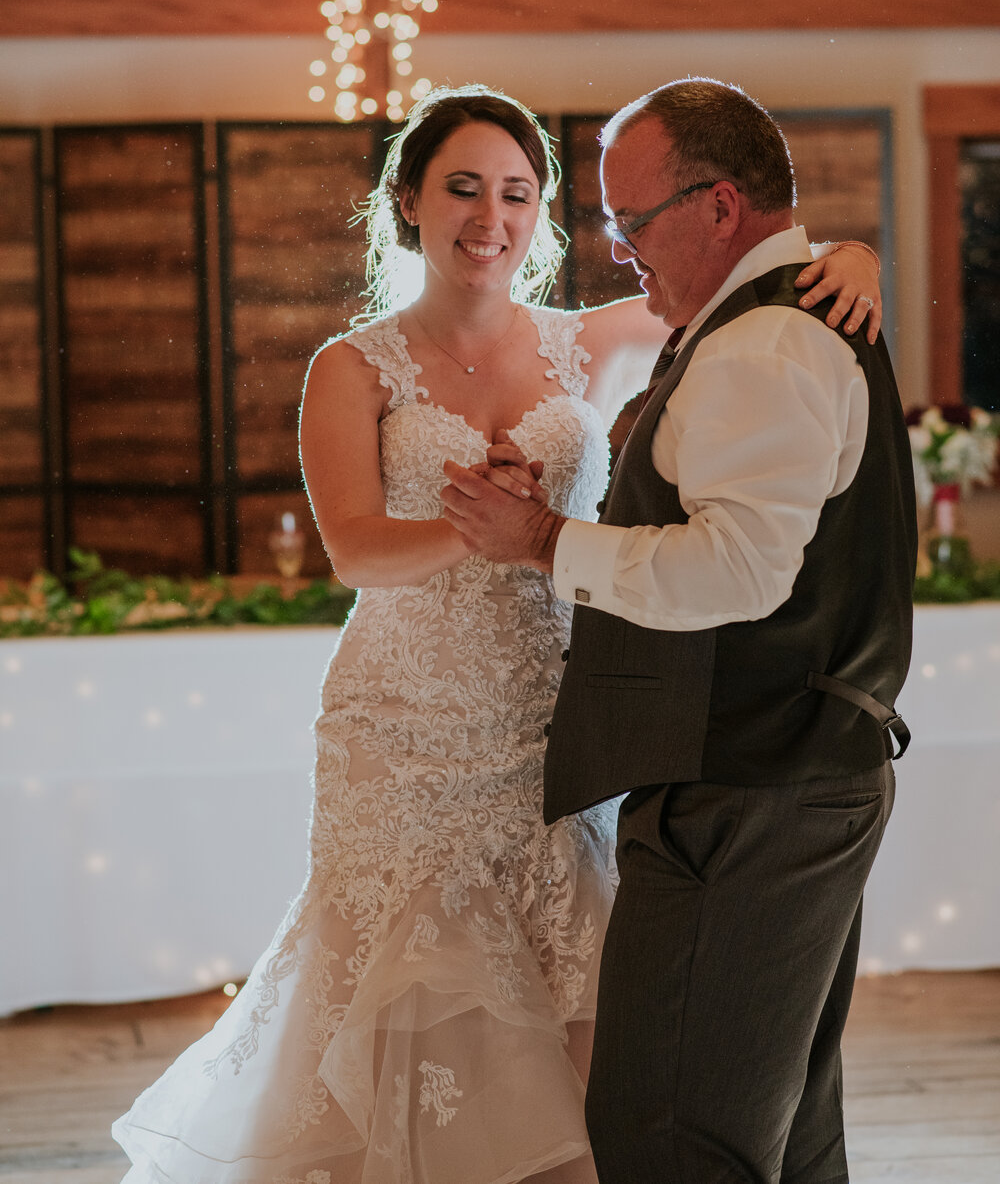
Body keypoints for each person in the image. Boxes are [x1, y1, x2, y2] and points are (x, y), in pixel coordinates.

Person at [112, 84, 883, 1184]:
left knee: (578, 1016)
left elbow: (755, 276)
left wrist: (852, 262)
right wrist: (490, 531)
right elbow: (357, 552)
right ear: (408, 204)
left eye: (517, 193)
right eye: (464, 188)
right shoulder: (351, 368)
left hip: (546, 722)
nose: (492, 216)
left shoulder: (591, 340)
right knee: (415, 1006)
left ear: (544, 215)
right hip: (401, 730)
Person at [442, 78, 917, 1184]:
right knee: (781, 1136)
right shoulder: (768, 320)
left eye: (634, 221)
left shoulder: (762, 346)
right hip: (786, 772)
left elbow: (738, 571)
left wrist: (544, 541)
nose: (619, 249)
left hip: (750, 784)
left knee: (667, 1137)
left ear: (717, 207)